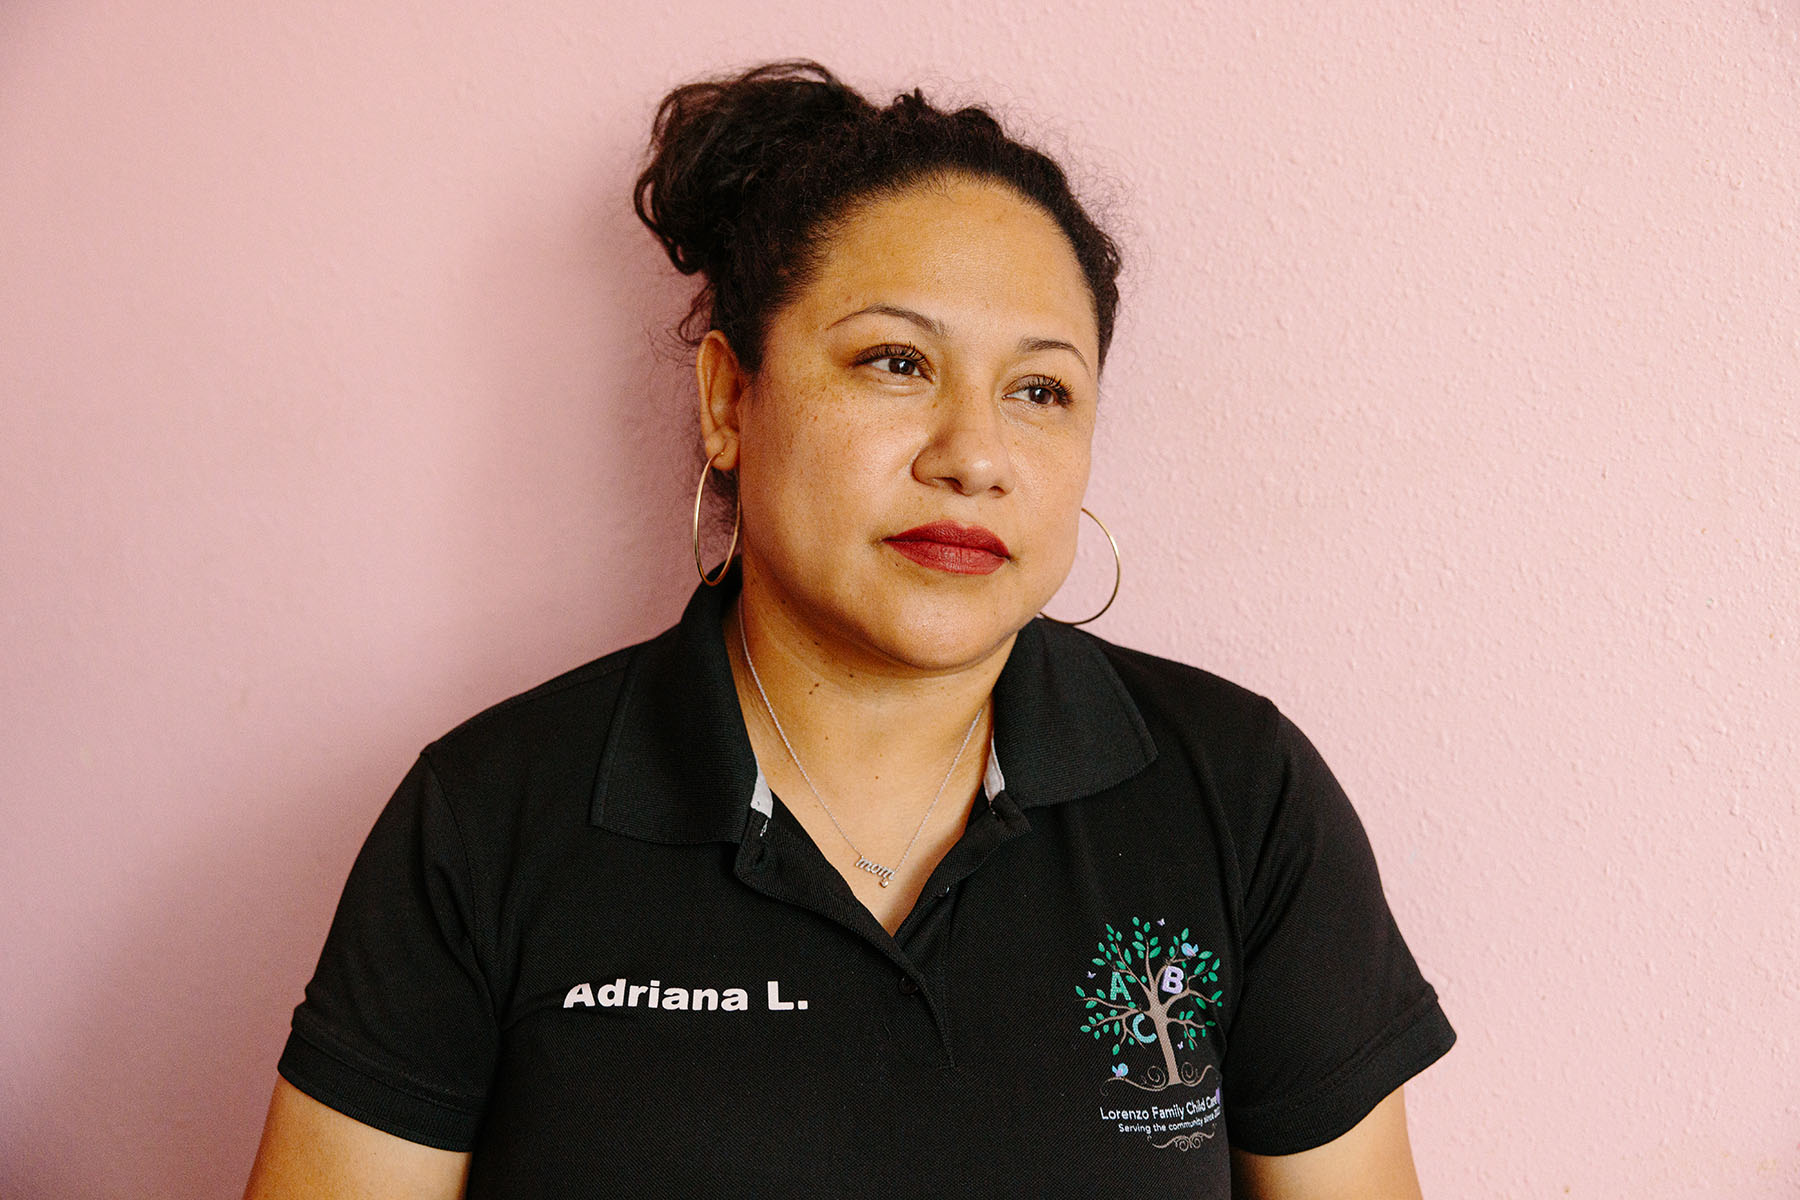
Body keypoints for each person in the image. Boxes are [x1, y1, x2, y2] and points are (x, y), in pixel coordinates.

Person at [244, 60, 1454, 1199]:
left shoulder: (1241, 799)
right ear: (729, 400)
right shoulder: (490, 817)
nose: (974, 456)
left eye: (1039, 390)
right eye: (895, 362)